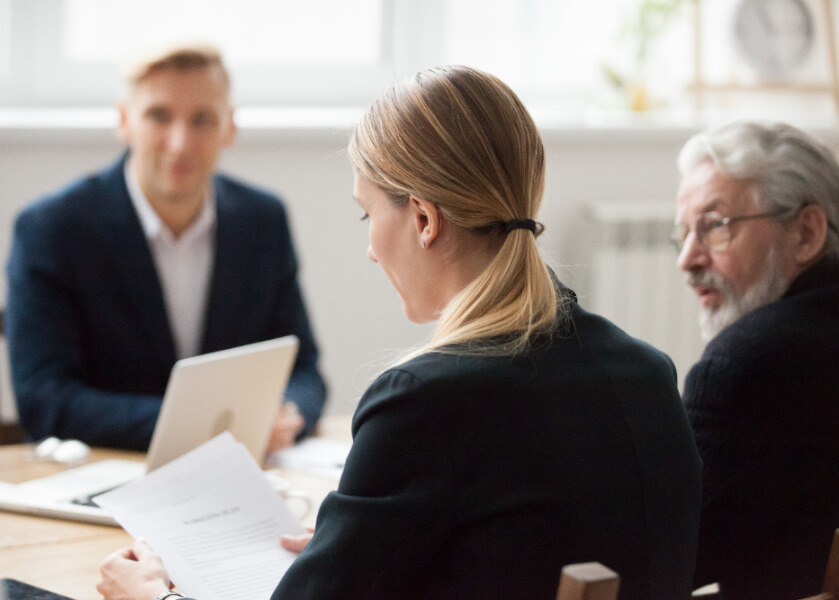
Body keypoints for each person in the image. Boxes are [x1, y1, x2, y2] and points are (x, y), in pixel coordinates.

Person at [98, 65, 701, 600]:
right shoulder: (649, 374)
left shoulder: (423, 400)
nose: (368, 249)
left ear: (422, 218)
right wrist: (354, 549)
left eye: (368, 213)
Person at [5, 43, 326, 452]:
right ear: (124, 121)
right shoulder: (51, 228)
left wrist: (285, 412)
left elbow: (303, 368)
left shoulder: (263, 220)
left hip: (238, 472)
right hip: (104, 474)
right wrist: (207, 428)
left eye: (202, 120)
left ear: (230, 127)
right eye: (159, 115)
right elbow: (44, 401)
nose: (180, 143)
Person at [672, 120, 839, 600]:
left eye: (714, 226)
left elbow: (665, 554)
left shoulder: (746, 365)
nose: (687, 258)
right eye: (684, 233)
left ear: (805, 233)